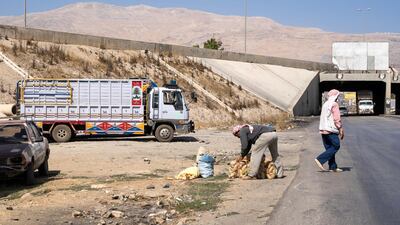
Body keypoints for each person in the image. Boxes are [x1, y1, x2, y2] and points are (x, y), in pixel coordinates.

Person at [315, 89, 344, 172]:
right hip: (331, 130)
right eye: (337, 96)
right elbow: (336, 118)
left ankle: (333, 167)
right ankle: (320, 159)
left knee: (329, 149)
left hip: (323, 129)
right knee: (336, 146)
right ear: (335, 96)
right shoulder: (334, 104)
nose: (338, 98)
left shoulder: (325, 104)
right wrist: (340, 128)